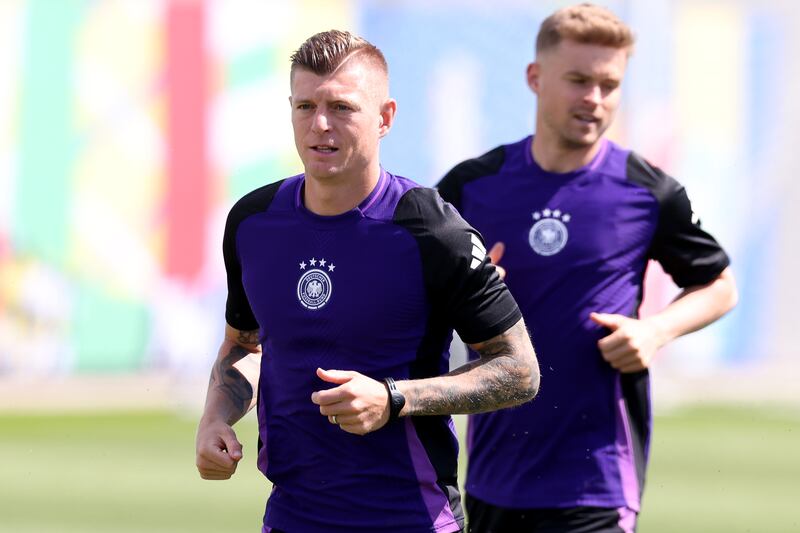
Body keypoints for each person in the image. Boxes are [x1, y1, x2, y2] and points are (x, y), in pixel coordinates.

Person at [195, 30, 540, 533]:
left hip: (412, 520)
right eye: (305, 105)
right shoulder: (253, 221)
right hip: (290, 519)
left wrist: (394, 398)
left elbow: (520, 371)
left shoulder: (431, 229)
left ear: (385, 118)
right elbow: (243, 345)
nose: (320, 125)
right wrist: (215, 418)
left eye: (341, 108)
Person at [436, 4, 738, 532]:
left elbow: (718, 284)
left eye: (609, 84)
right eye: (578, 80)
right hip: (491, 476)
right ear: (535, 77)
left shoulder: (647, 191)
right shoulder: (469, 188)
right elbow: (420, 293)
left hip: (596, 483)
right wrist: (465, 297)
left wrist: (654, 331)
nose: (594, 99)